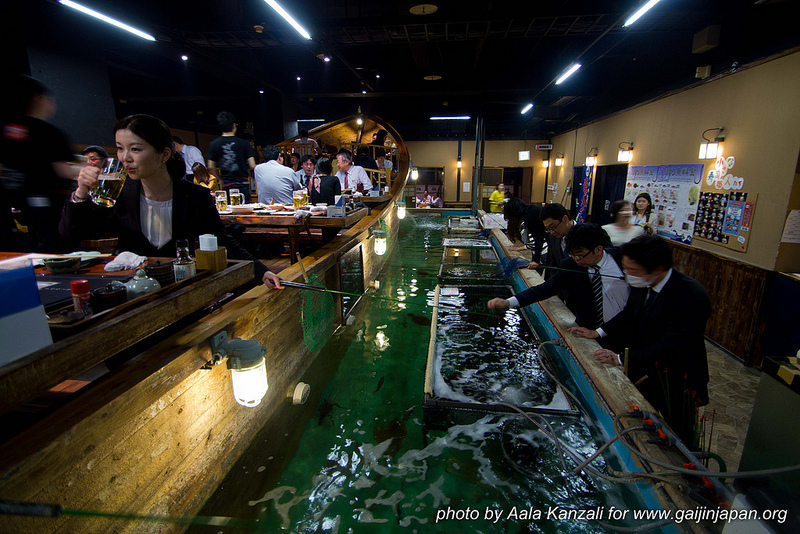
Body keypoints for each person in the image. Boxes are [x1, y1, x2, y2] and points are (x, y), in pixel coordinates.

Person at [59, 114, 281, 288]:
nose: (125, 158)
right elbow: (70, 236)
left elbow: (219, 239)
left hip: (180, 286)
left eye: (135, 149)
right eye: (120, 148)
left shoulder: (194, 196)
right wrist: (80, 193)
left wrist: (262, 272)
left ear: (164, 154)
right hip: (132, 288)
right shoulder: (118, 193)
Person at [570, 235, 711, 445]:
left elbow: (671, 344)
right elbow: (629, 313)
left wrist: (620, 358)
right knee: (643, 424)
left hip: (677, 376)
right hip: (646, 370)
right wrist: (598, 332)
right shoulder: (642, 281)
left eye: (633, 270)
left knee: (680, 436)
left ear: (658, 269)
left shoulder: (691, 295)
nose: (627, 275)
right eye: (626, 269)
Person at [488, 224, 629, 351]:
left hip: (624, 330)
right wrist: (508, 302)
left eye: (580, 255)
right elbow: (543, 290)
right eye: (573, 255)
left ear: (598, 249)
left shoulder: (624, 259)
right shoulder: (570, 265)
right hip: (589, 331)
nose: (577, 260)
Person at [1, 75, 80, 252]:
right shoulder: (47, 132)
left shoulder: (7, 129)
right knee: (59, 245)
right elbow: (62, 170)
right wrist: (89, 170)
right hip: (50, 205)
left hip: (16, 204)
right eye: (49, 99)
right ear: (37, 98)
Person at [207, 111, 257, 203]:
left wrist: (219, 179)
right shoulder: (244, 143)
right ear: (234, 125)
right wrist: (243, 168)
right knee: (245, 213)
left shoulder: (214, 144)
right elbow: (253, 165)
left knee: (229, 213)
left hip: (227, 184)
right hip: (243, 184)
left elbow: (210, 166)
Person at [535, 202, 575, 282]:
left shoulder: (585, 235)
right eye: (548, 229)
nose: (552, 232)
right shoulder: (552, 238)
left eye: (553, 227)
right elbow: (552, 264)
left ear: (565, 219)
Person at [309, 157, 342, 244]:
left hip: (314, 216)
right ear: (329, 168)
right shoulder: (334, 179)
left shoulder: (312, 180)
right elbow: (338, 199)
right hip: (330, 216)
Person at [503, 198, 547, 264]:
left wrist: (536, 260)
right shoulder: (530, 210)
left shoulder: (528, 218)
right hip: (543, 250)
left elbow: (537, 239)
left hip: (545, 251)